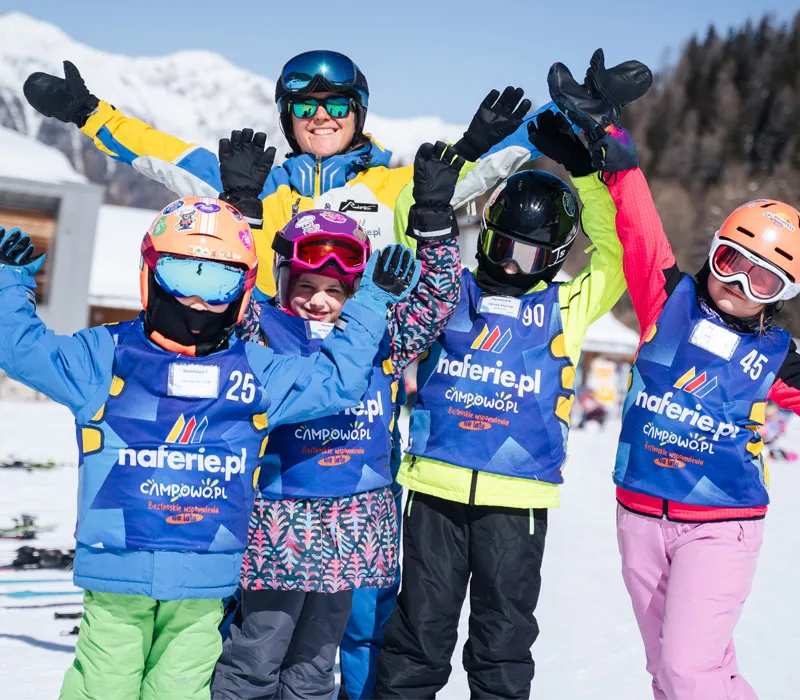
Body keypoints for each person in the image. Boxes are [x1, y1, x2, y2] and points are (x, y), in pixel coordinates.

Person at [0, 198, 419, 700]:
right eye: (183, 276)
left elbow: (335, 383)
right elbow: (21, 349)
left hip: (206, 577)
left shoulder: (256, 370)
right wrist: (9, 284)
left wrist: (370, 303)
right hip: (119, 571)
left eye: (217, 284)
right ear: (152, 274)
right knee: (105, 685)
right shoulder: (105, 357)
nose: (198, 302)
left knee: (180, 688)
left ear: (242, 290)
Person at [373, 54, 651, 699]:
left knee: (501, 647)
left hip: (517, 501)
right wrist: (454, 179)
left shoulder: (564, 306)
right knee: (417, 640)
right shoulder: (449, 290)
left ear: (554, 257)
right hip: (435, 491)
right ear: (487, 235)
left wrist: (585, 171)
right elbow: (417, 225)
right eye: (500, 243)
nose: (511, 262)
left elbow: (614, 255)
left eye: (529, 253)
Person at [549, 49, 800, 700]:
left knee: (690, 669)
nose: (739, 285)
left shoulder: (779, 354)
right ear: (711, 254)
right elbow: (637, 224)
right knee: (671, 670)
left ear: (783, 293)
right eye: (729, 262)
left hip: (720, 524)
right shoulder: (671, 300)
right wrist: (609, 136)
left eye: (763, 278)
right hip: (638, 514)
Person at [211, 137, 463, 699]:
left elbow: (438, 299)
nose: (320, 300)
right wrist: (241, 207)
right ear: (283, 283)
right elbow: (228, 280)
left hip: (352, 525)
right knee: (257, 651)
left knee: (316, 663)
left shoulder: (382, 335)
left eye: (334, 289)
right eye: (306, 287)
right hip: (278, 521)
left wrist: (433, 223)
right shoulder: (259, 332)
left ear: (356, 290)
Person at [23, 51, 547, 298]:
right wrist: (88, 111)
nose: (322, 117)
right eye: (304, 108)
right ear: (287, 119)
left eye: (338, 104)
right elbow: (162, 155)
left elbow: (484, 165)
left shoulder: (398, 187)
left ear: (358, 113)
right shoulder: (254, 183)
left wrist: (564, 116)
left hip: (359, 387)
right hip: (264, 377)